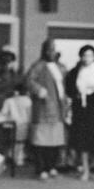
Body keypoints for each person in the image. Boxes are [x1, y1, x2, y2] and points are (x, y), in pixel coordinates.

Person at [65, 44, 94, 182]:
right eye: (84, 55)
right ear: (80, 57)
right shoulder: (74, 72)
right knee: (83, 141)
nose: (87, 58)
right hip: (81, 108)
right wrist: (77, 94)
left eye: (90, 55)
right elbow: (69, 89)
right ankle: (85, 171)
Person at [27, 39, 67, 180]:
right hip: (43, 110)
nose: (52, 52)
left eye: (54, 49)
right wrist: (38, 89)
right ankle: (40, 169)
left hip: (58, 110)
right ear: (44, 51)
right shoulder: (38, 66)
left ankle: (51, 167)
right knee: (41, 141)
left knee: (55, 141)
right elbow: (29, 81)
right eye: (49, 50)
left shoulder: (61, 67)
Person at [0, 81, 32, 167]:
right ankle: (18, 158)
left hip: (10, 127)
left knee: (13, 142)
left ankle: (13, 156)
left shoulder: (9, 101)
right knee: (20, 142)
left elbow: (3, 113)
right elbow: (30, 115)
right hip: (25, 126)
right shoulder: (28, 101)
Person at [0, 45, 22, 112]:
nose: (7, 58)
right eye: (5, 56)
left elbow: (18, 83)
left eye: (10, 56)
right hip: (1, 99)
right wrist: (6, 70)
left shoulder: (15, 71)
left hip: (13, 99)